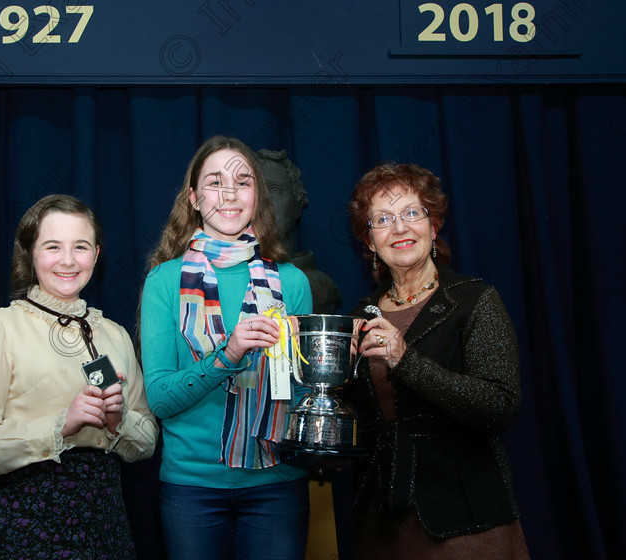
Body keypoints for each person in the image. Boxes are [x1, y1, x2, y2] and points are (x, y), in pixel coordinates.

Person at [0, 194, 158, 560]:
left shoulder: (114, 334)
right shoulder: (0, 327)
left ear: (96, 255)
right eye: (52, 246)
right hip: (24, 523)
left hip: (104, 524)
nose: (67, 260)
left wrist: (117, 421)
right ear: (30, 253)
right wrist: (61, 425)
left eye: (80, 246)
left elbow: (147, 442)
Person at [139, 136, 313, 560]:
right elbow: (160, 399)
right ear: (194, 199)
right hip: (192, 490)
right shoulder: (164, 281)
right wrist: (229, 354)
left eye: (243, 181)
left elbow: (304, 392)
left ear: (258, 197)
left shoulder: (292, 282)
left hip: (278, 484)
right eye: (215, 183)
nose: (230, 194)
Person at [344, 163, 530, 559]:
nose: (400, 228)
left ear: (434, 225)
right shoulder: (361, 314)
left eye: (413, 213)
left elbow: (498, 407)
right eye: (383, 219)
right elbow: (366, 421)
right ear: (369, 240)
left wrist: (406, 361)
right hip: (384, 523)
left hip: (465, 520)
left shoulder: (474, 300)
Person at [256, 148, 342, 314]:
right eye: (256, 191)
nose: (263, 201)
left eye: (273, 189)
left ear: (297, 204)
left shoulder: (318, 288)